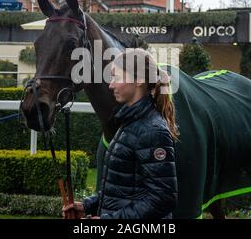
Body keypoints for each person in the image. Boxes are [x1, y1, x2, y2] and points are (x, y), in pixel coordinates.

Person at [63, 49, 178, 219]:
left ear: (138, 80)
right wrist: (88, 205)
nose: (111, 85)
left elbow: (163, 199)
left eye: (116, 77)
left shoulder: (153, 130)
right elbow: (120, 188)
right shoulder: (129, 122)